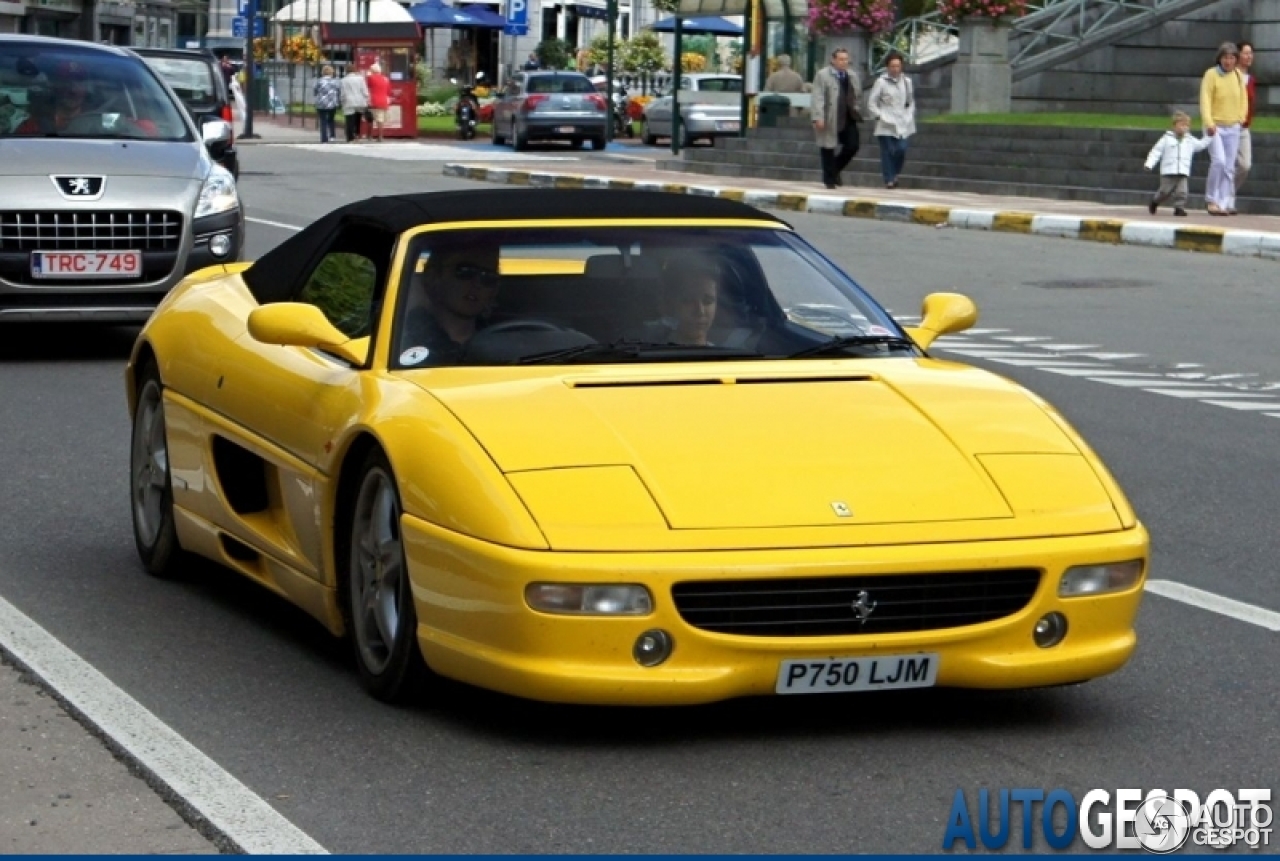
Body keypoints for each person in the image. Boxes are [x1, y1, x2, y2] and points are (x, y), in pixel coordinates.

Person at [399, 242, 502, 365]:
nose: (477, 283)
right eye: (465, 272)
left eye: (488, 277)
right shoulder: (400, 338)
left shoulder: (503, 341)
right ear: (434, 276)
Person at [1199, 41, 1247, 215]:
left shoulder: (1238, 75)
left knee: (1229, 167)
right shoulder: (1211, 75)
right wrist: (1209, 123)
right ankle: (1211, 200)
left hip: (1233, 126)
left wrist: (1241, 118)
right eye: (1225, 57)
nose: (1228, 61)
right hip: (1215, 126)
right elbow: (1205, 99)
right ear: (1220, 58)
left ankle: (1223, 202)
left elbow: (1243, 99)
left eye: (1232, 57)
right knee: (1218, 161)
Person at [811, 48, 861, 190]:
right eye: (840, 59)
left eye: (846, 59)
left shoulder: (851, 75)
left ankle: (834, 170)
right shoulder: (823, 75)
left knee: (853, 146)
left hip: (847, 116)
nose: (844, 62)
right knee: (827, 147)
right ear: (833, 60)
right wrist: (818, 117)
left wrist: (856, 108)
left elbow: (857, 94)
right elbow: (817, 97)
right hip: (829, 115)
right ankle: (829, 180)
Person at [1144, 110, 1210, 217]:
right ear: (1174, 126)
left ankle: (1179, 208)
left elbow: (1201, 145)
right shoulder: (1166, 139)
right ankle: (1155, 201)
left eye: (1186, 125)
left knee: (1182, 191)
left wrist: (1209, 136)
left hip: (1182, 170)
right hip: (1168, 171)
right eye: (1181, 125)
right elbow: (1156, 151)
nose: (1184, 128)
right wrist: (1149, 164)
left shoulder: (1189, 140)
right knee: (1164, 191)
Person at [640, 261, 721, 346]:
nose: (700, 311)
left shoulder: (727, 357)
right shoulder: (649, 355)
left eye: (708, 301)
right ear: (668, 304)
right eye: (689, 300)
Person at [867, 52, 916, 189]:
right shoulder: (881, 82)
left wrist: (909, 114)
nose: (895, 69)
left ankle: (895, 174)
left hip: (903, 122)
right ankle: (889, 179)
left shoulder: (907, 82)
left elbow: (910, 101)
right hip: (886, 122)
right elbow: (872, 102)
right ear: (887, 67)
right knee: (888, 150)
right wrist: (879, 115)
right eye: (892, 66)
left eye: (898, 66)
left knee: (901, 149)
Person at [1235, 40, 1256, 196]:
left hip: (1244, 127)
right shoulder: (1232, 76)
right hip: (1228, 125)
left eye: (1251, 53)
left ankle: (1229, 192)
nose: (1249, 56)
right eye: (1246, 53)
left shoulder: (1251, 79)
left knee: (1245, 165)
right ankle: (1223, 198)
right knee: (1225, 164)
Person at [340, 65, 369, 143]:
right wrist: (366, 99)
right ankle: (357, 135)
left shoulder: (343, 80)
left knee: (349, 120)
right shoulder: (360, 79)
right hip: (360, 101)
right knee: (358, 119)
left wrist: (342, 102)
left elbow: (343, 94)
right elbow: (365, 91)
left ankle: (350, 137)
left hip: (349, 101)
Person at [313, 64, 340, 143]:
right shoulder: (335, 81)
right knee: (331, 119)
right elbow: (338, 91)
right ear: (331, 72)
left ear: (323, 72)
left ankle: (324, 138)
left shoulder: (319, 81)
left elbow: (315, 91)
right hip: (332, 103)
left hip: (322, 103)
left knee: (323, 120)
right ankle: (332, 135)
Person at [366, 63, 390, 142]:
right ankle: (380, 136)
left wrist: (368, 75)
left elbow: (367, 87)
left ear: (372, 70)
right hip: (384, 101)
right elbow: (388, 90)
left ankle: (370, 136)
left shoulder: (371, 78)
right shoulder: (386, 79)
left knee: (370, 118)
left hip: (374, 101)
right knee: (381, 119)